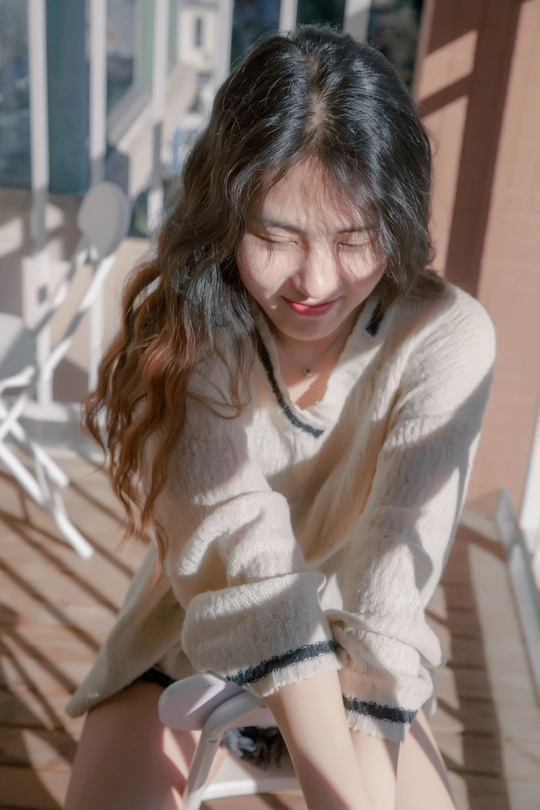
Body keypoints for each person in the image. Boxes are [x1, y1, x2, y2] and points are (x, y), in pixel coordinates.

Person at [64, 25, 495, 810]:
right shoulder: (187, 333)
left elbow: (389, 590)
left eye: (356, 237)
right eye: (276, 236)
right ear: (226, 215)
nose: (316, 281)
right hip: (188, 633)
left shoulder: (445, 338)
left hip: (358, 651)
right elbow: (247, 562)